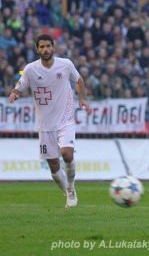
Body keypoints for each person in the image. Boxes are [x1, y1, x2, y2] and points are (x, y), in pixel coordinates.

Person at [8, 34, 92, 207]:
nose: (45, 49)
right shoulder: (31, 69)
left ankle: (71, 188)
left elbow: (79, 80)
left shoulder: (66, 64)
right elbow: (20, 85)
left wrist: (82, 99)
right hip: (45, 125)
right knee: (53, 166)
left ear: (53, 47)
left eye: (48, 46)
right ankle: (67, 191)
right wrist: (14, 93)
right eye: (42, 47)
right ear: (37, 49)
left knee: (67, 154)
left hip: (65, 120)